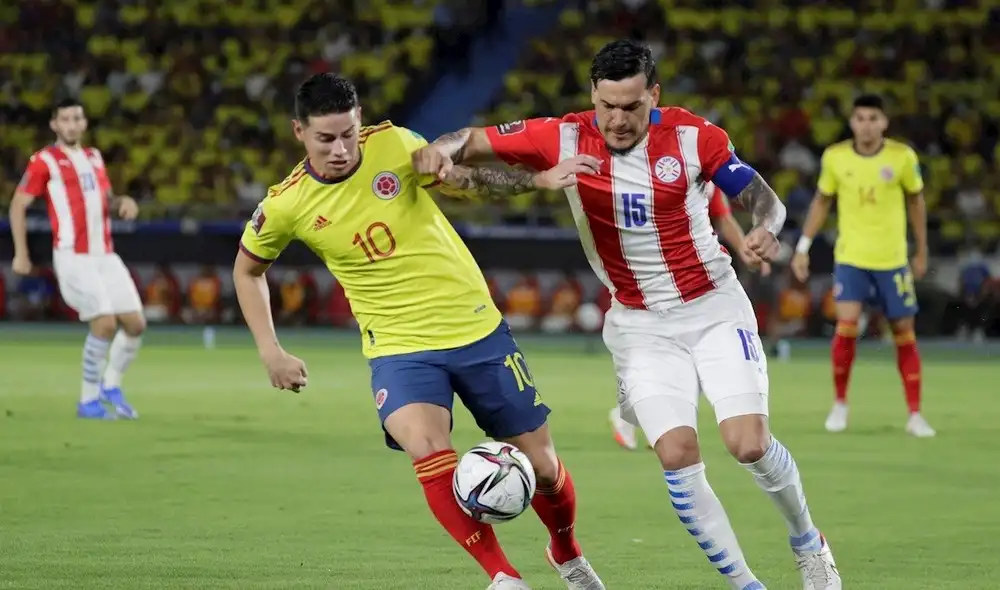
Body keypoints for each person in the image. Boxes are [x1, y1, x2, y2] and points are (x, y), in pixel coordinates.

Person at [414, 39, 840, 590]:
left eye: (632, 106)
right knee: (677, 454)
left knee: (748, 444)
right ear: (593, 94)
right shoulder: (563, 134)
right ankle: (747, 585)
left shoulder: (693, 136)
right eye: (607, 105)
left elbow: (763, 197)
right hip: (638, 324)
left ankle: (809, 543)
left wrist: (765, 228)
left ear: (653, 95)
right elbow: (469, 141)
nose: (617, 119)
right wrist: (436, 151)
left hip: (713, 306)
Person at [232, 73, 605, 590]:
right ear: (299, 132)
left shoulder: (394, 144)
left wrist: (535, 180)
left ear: (359, 120)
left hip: (474, 327)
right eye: (325, 138)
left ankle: (565, 551)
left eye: (348, 133)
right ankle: (503, 576)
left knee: (542, 465)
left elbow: (467, 184)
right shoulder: (286, 204)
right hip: (399, 348)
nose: (341, 149)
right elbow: (247, 270)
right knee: (429, 450)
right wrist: (270, 351)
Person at [791, 94, 935, 438]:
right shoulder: (835, 157)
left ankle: (915, 414)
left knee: (904, 333)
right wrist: (802, 247)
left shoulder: (902, 157)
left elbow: (916, 202)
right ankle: (840, 405)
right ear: (852, 122)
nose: (866, 125)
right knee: (847, 324)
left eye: (873, 118)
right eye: (860, 118)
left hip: (892, 259)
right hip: (851, 258)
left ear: (884, 122)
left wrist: (922, 250)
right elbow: (821, 202)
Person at [9, 98, 144, 420]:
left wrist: (123, 202)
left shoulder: (94, 157)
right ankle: (87, 401)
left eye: (76, 118)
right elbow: (18, 205)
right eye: (65, 119)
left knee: (136, 324)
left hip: (105, 255)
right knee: (104, 323)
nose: (71, 124)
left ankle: (111, 385)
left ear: (83, 123)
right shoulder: (45, 160)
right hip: (74, 256)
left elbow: (106, 200)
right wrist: (21, 253)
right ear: (55, 124)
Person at [609, 184, 772, 450]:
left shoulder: (703, 171)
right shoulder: (651, 170)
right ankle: (628, 416)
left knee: (691, 357)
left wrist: (744, 247)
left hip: (695, 280)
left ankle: (658, 420)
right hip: (651, 278)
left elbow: (722, 216)